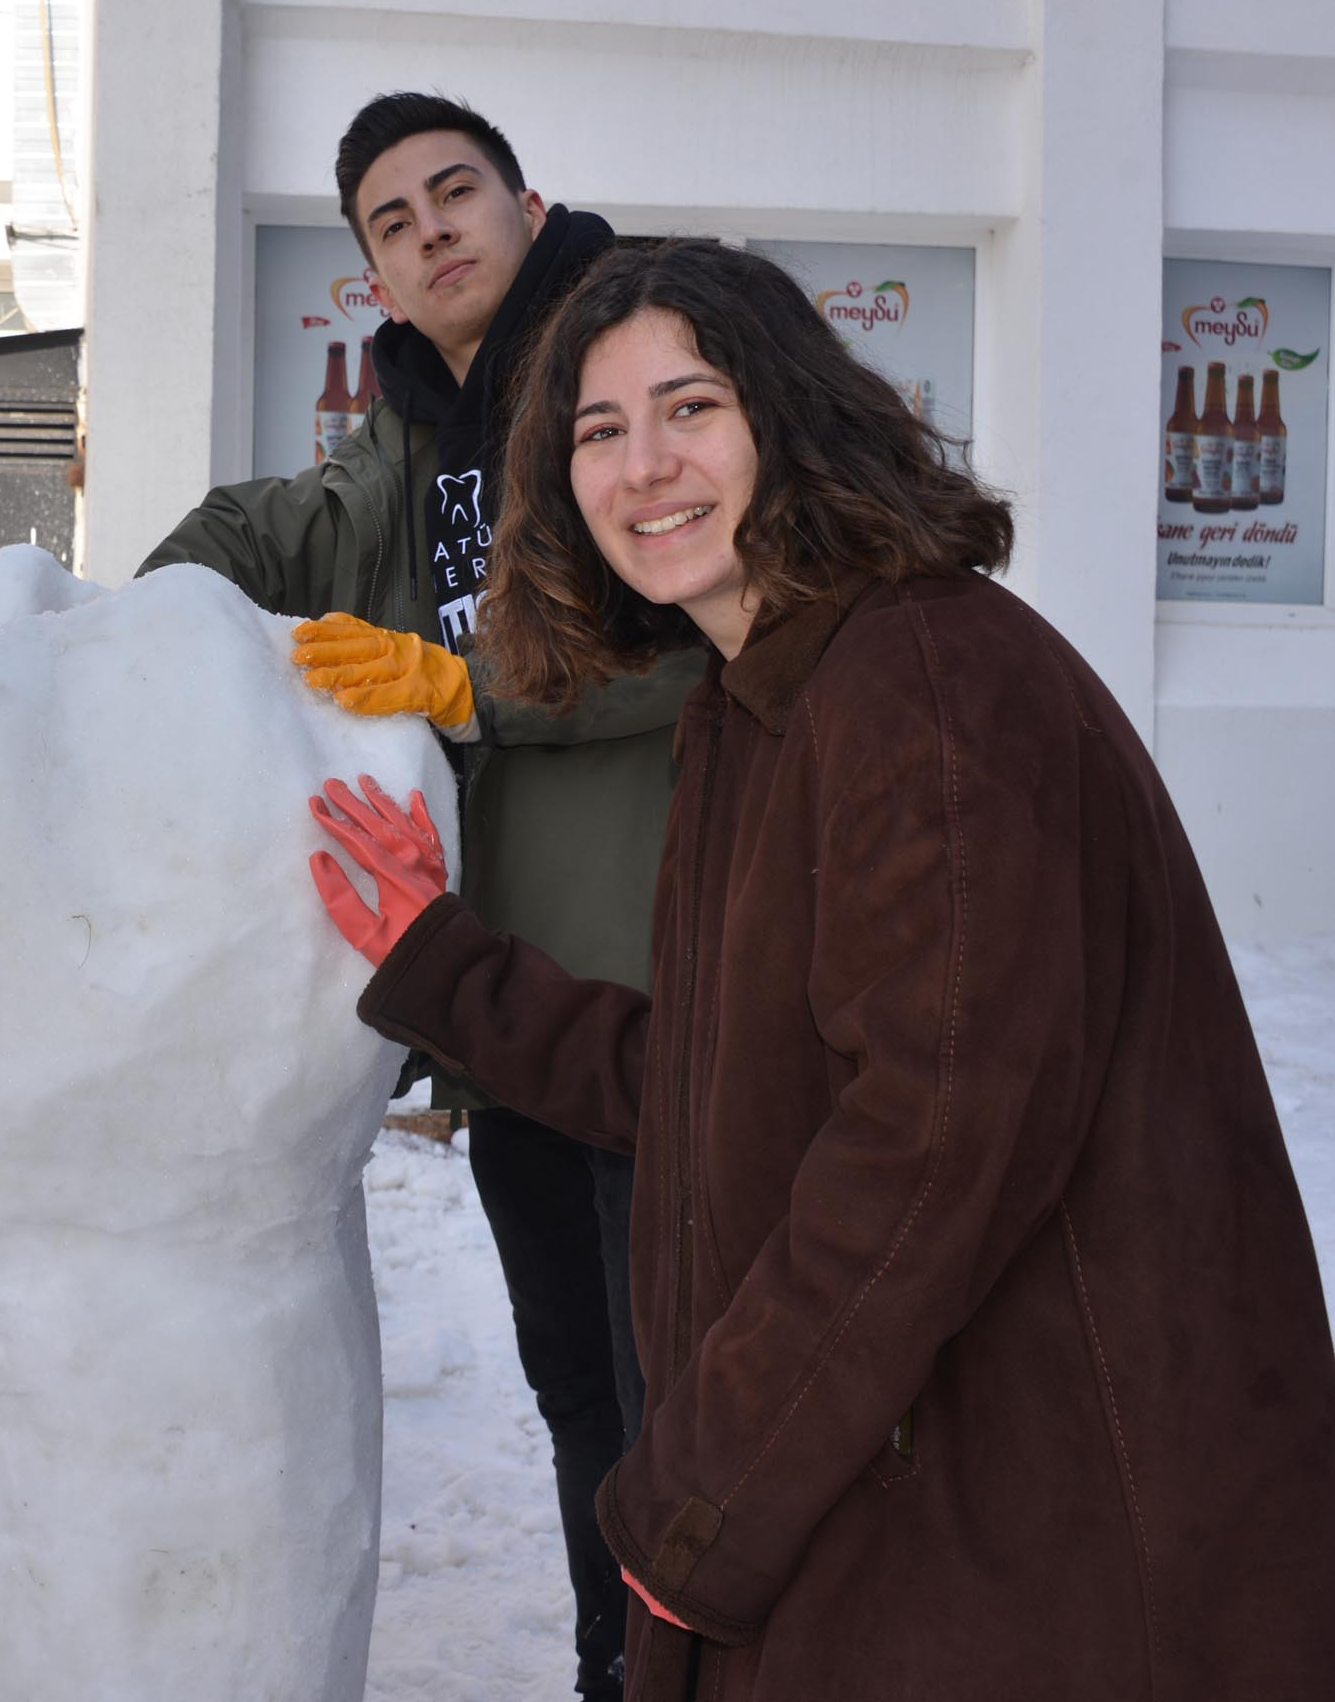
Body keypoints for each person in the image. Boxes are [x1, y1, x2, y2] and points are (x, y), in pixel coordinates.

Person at [309, 237, 1335, 1700]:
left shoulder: (925, 684)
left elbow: (927, 1147)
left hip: (1031, 1547)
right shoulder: (761, 701)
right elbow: (718, 1078)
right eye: (599, 430)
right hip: (899, 1515)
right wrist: (441, 964)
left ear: (791, 414)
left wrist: (698, 1507)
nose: (643, 466)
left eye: (691, 406)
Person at [140, 90, 694, 1700]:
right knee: (579, 1394)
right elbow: (275, 531)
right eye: (393, 220)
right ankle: (614, 1671)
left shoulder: (626, 372)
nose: (433, 229)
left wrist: (465, 688)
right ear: (374, 275)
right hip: (508, 1004)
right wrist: (124, 630)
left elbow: (694, 638)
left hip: (658, 981)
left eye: (457, 192)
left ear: (531, 206)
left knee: (680, 1405)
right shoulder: (409, 434)